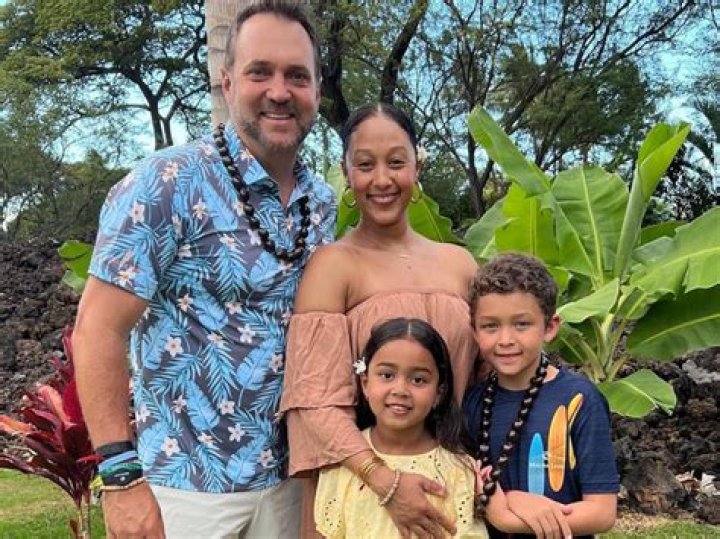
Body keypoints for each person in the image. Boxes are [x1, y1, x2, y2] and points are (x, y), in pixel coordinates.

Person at [71, 2, 335, 537]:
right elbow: (97, 328)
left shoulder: (322, 203)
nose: (279, 91)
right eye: (260, 72)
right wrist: (120, 479)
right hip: (184, 488)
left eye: (297, 75)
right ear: (228, 80)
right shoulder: (167, 182)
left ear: (317, 89)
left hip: (289, 486)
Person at [279, 102, 480, 538]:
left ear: (417, 167)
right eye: (366, 165)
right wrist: (386, 482)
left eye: (396, 162)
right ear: (347, 173)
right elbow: (315, 400)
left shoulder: (460, 263)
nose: (382, 180)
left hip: (452, 484)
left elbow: (491, 375)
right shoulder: (333, 265)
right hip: (359, 490)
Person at [315, 317, 548, 539]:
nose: (400, 390)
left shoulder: (458, 469)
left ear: (439, 393)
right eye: (387, 375)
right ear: (365, 383)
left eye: (418, 380)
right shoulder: (345, 462)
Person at [464, 253, 619, 539]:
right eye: (490, 326)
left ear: (549, 327)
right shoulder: (474, 403)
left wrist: (508, 517)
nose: (506, 340)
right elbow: (465, 489)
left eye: (521, 324)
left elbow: (601, 512)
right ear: (474, 331)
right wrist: (513, 500)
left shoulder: (580, 400)